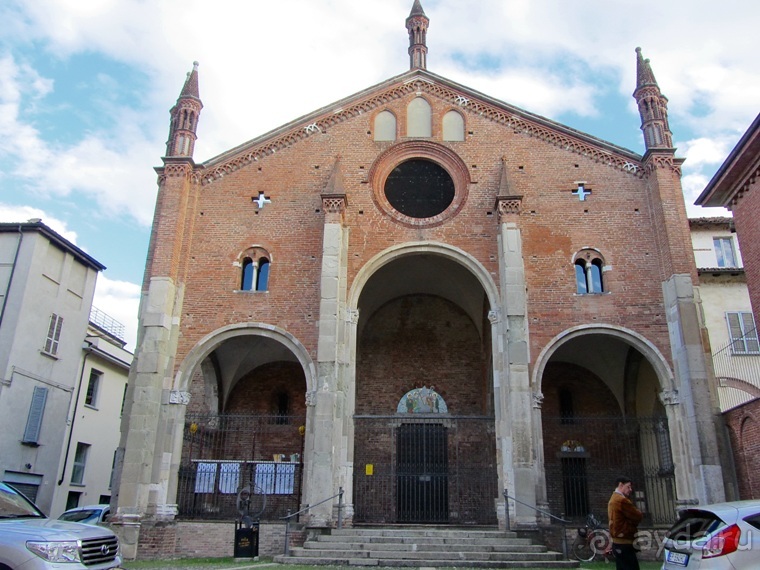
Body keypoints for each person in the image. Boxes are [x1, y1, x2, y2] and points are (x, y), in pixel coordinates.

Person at [608, 476, 643, 570]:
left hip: (617, 542)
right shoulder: (621, 500)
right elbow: (638, 516)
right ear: (621, 485)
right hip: (625, 541)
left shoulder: (613, 498)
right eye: (628, 487)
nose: (630, 490)